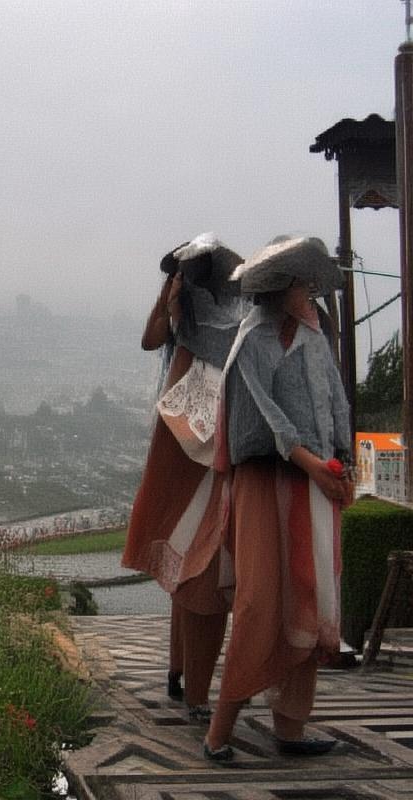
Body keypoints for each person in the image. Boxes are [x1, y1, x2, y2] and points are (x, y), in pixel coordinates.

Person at [203, 236, 354, 761]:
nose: (309, 292)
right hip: (267, 481)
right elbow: (268, 416)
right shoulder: (253, 340)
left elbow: (335, 400)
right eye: (301, 284)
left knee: (309, 596)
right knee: (261, 600)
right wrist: (313, 465)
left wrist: (341, 459)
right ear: (281, 286)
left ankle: (290, 726)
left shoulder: (314, 335)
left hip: (313, 483)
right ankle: (218, 733)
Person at [122, 233, 247, 722]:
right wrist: (169, 300)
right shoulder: (202, 320)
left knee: (190, 554)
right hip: (195, 445)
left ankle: (182, 673)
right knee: (197, 561)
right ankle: (189, 683)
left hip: (195, 442)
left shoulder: (221, 320)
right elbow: (151, 338)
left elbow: (154, 339)